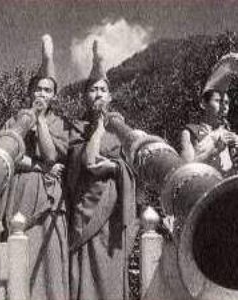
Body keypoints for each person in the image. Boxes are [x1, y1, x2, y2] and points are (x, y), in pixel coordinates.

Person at [67, 40, 138, 300]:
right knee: (85, 275)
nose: (98, 94)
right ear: (85, 96)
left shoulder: (121, 129)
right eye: (93, 90)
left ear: (110, 96)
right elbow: (87, 162)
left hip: (113, 214)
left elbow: (131, 167)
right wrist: (97, 128)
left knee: (110, 278)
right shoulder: (77, 128)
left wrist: (114, 166)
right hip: (86, 214)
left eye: (103, 90)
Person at [3, 35, 69, 300]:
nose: (42, 94)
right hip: (21, 195)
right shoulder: (15, 120)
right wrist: (38, 167)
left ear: (53, 96)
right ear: (30, 92)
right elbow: (7, 153)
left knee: (50, 260)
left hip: (50, 200)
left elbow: (52, 155)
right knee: (23, 254)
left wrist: (40, 120)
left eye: (47, 90)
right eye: (38, 89)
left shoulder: (58, 123)